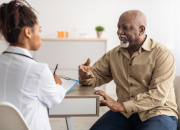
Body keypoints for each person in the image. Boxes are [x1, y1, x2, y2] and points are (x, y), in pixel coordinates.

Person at [79, 10, 178, 130]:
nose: (119, 32)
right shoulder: (113, 54)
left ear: (141, 30)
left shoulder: (162, 54)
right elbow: (96, 76)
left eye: (124, 27)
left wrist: (121, 106)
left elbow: (157, 96)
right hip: (125, 114)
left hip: (158, 112)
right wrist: (85, 76)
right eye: (118, 27)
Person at [0, 0, 66, 130]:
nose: (41, 36)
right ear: (28, 32)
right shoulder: (39, 70)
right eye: (39, 30)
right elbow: (54, 100)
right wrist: (58, 85)